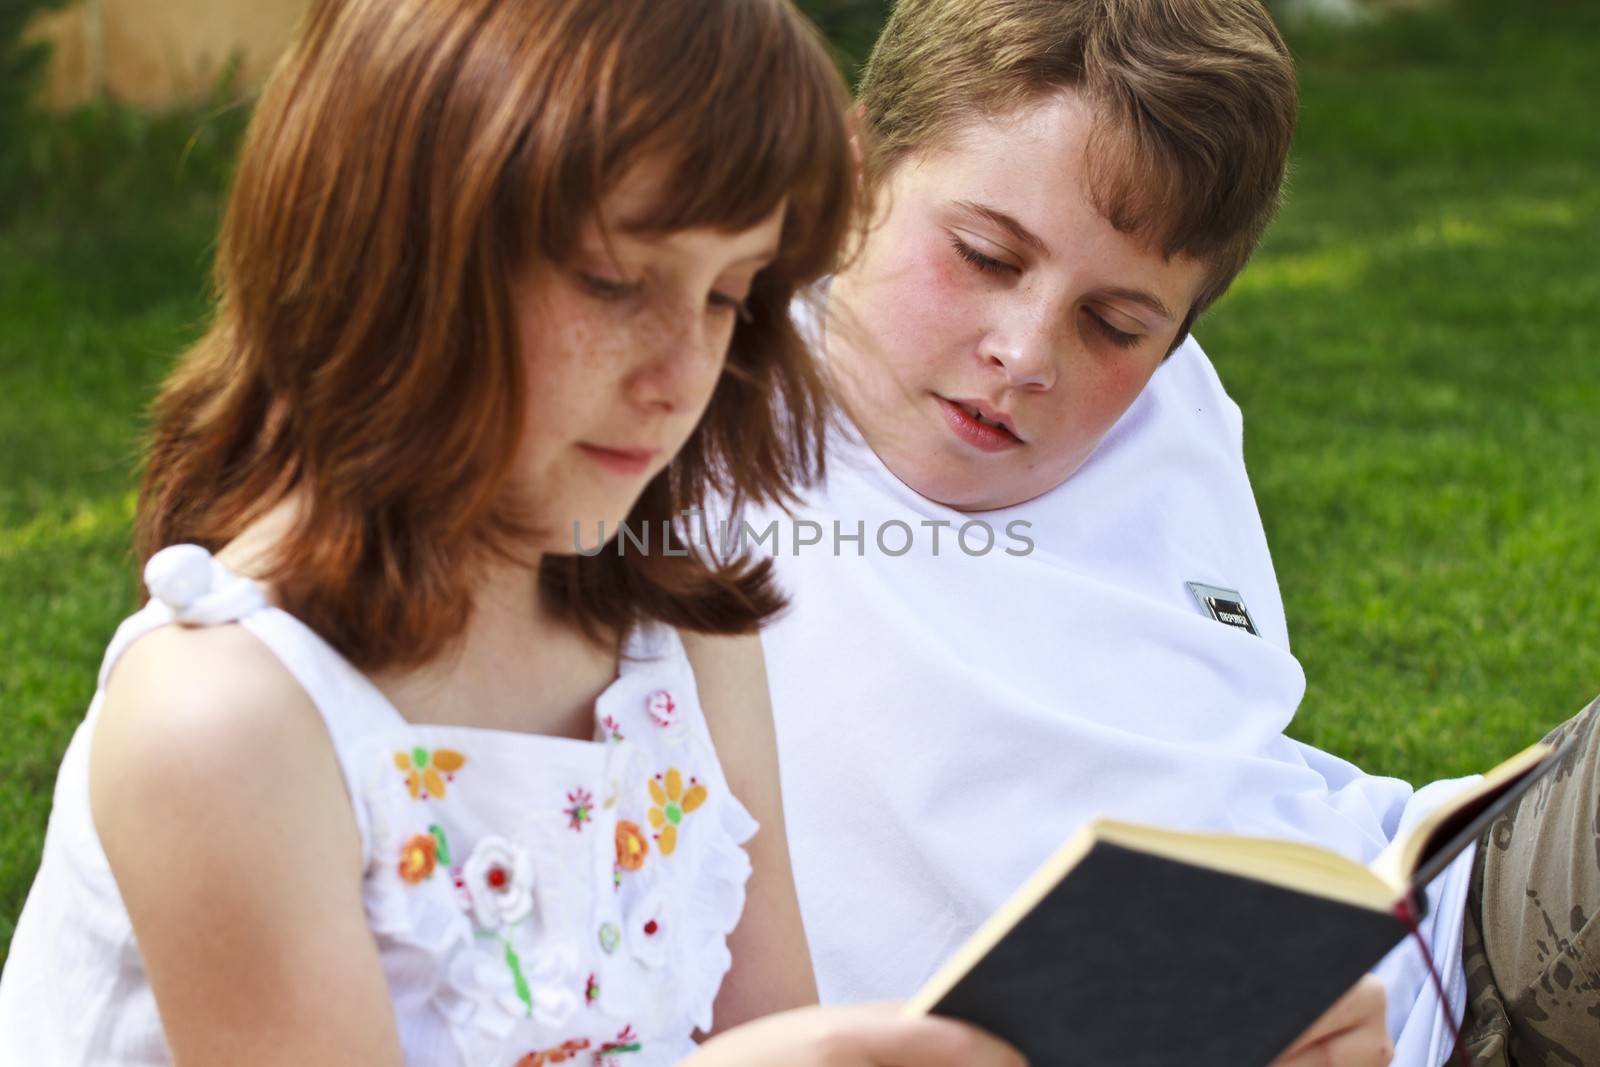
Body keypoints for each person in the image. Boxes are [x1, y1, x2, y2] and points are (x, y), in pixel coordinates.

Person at [0, 2, 1030, 1065]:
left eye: (727, 295)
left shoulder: (679, 638)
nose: (680, 372)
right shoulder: (226, 721)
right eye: (614, 281)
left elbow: (766, 1024)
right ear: (394, 254)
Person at [734, 0, 1600, 1064]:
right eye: (983, 256)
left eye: (1115, 324)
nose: (1026, 352)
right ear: (856, 171)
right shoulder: (688, 408)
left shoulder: (1158, 401)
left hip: (1426, 923)